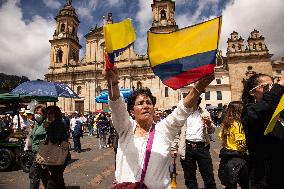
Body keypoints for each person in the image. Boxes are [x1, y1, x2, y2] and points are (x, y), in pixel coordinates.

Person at [103, 65, 214, 189]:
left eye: (149, 103)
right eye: (140, 103)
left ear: (153, 108)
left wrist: (199, 86)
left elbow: (181, 111)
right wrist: (112, 82)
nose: (145, 106)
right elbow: (117, 106)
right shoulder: (126, 128)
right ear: (132, 111)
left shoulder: (163, 130)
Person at [241, 73, 284, 188]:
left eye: (272, 86)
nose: (271, 91)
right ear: (252, 93)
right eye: (266, 87)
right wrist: (278, 86)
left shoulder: (280, 112)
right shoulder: (250, 112)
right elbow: (265, 107)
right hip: (265, 178)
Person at [171, 97, 216, 189]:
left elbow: (212, 131)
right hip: (187, 148)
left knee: (208, 176)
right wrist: (173, 148)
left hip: (202, 148)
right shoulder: (183, 114)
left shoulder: (204, 113)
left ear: (197, 101)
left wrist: (209, 124)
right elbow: (177, 132)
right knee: (189, 177)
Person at [218, 101, 249, 189]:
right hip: (238, 157)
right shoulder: (238, 124)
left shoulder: (226, 123)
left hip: (226, 156)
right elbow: (241, 142)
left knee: (230, 183)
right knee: (246, 184)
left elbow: (221, 137)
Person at [44, 106, 69, 189]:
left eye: (50, 113)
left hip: (59, 154)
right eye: (47, 113)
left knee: (53, 181)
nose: (48, 115)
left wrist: (48, 128)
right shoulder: (55, 123)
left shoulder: (58, 123)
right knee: (59, 179)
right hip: (57, 154)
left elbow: (54, 140)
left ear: (56, 114)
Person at [29, 105, 49, 189]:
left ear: (44, 114)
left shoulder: (46, 123)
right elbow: (33, 136)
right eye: (36, 112)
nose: (37, 114)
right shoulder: (37, 123)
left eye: (39, 112)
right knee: (44, 175)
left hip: (41, 153)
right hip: (35, 152)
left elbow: (50, 135)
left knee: (33, 174)